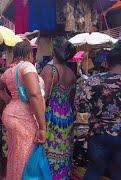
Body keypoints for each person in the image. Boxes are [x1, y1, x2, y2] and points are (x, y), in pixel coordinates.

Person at [0, 41, 46, 180]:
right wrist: (42, 127)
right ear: (29, 54)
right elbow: (34, 95)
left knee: (15, 153)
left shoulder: (10, 70)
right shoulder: (27, 67)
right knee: (25, 156)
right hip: (23, 116)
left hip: (12, 113)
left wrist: (8, 100)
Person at [75, 41, 121, 179]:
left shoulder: (95, 80)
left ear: (108, 62)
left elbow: (81, 106)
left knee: (94, 170)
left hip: (99, 134)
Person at [40, 38, 77, 179]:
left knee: (48, 149)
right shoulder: (71, 73)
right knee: (63, 150)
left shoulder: (50, 70)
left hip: (51, 115)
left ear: (53, 52)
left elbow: (43, 97)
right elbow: (71, 98)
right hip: (66, 116)